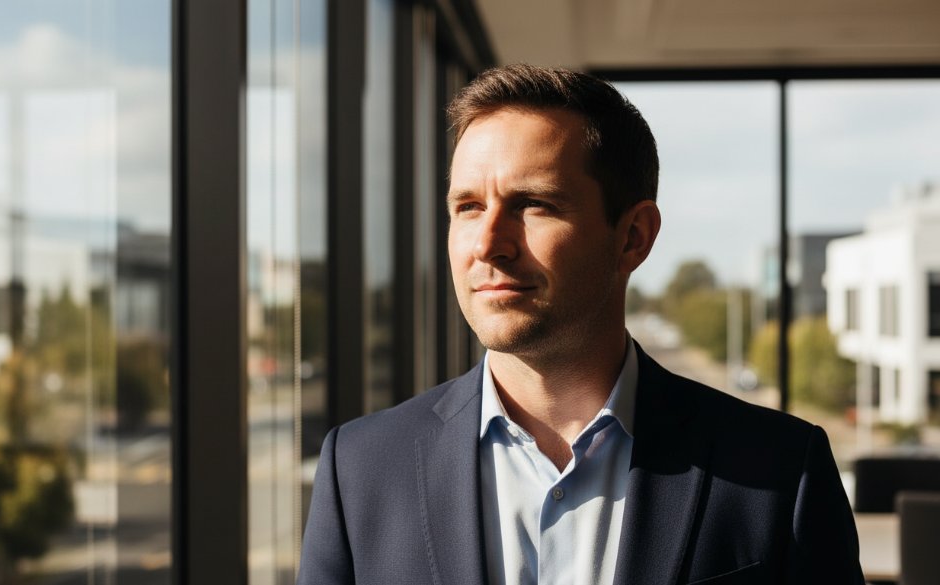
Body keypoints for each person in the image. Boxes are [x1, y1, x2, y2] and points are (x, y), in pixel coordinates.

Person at [297, 64, 863, 585]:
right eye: (468, 207)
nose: (488, 245)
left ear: (633, 237)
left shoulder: (779, 472)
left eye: (534, 204)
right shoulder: (360, 469)